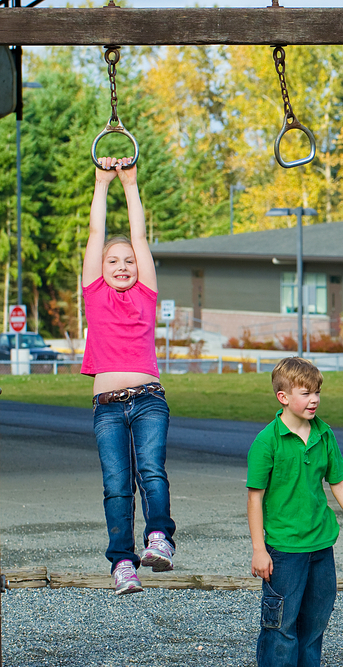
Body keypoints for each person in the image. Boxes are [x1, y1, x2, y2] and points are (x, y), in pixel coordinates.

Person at [247, 356, 343, 667]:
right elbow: (254, 499)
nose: (314, 400)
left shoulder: (324, 434)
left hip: (322, 548)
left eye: (317, 392)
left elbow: (339, 485)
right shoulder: (266, 442)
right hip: (284, 551)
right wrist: (259, 549)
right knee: (280, 628)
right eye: (306, 393)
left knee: (314, 627)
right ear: (283, 397)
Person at [83, 156, 175, 595]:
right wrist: (102, 183)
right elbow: (96, 233)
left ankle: (159, 538)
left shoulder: (146, 293)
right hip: (106, 408)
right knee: (117, 486)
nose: (122, 265)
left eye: (129, 261)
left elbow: (137, 234)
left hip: (148, 399)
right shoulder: (95, 294)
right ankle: (122, 563)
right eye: (113, 261)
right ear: (100, 269)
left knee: (151, 473)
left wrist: (131, 183)